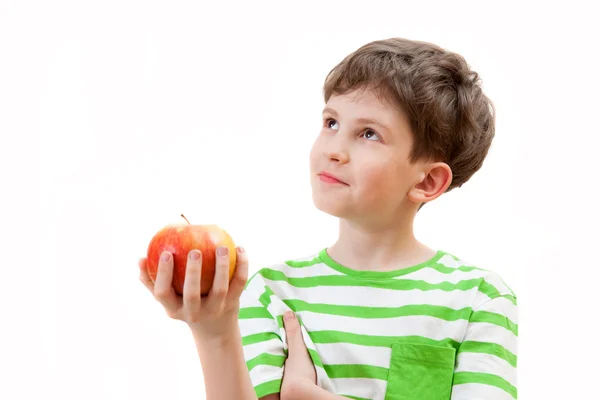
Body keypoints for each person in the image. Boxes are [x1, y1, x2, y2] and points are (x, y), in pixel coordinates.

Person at [139, 37, 518, 400]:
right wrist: (214, 333)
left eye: (369, 134)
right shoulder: (273, 292)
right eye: (331, 122)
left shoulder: (477, 298)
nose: (334, 150)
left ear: (428, 181)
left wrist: (307, 395)